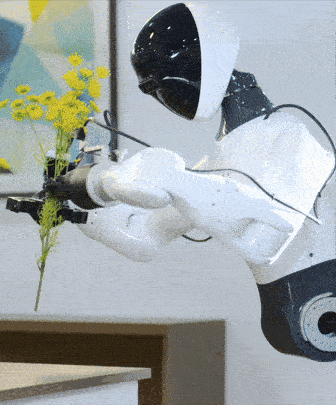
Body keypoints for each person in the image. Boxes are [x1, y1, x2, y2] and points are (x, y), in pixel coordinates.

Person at [56, 3, 336, 361]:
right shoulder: (222, 160)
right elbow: (145, 238)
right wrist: (81, 209)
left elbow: (265, 239)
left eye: (164, 86)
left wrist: (166, 178)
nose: (167, 98)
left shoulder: (289, 136)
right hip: (292, 315)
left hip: (317, 303)